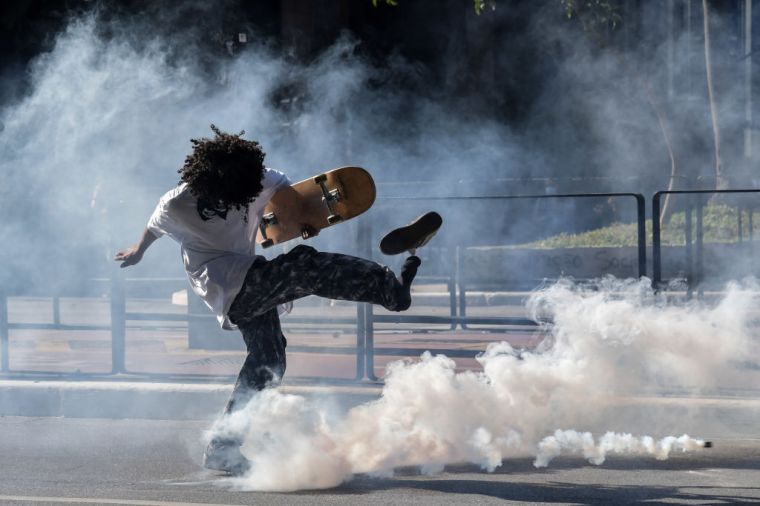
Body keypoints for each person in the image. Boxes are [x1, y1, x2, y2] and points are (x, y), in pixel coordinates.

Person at [115, 125, 442, 474]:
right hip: (223, 283)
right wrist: (138, 250)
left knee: (268, 360)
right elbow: (154, 224)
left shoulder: (254, 179)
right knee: (303, 266)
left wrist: (301, 219)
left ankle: (224, 447)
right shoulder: (177, 202)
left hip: (250, 273)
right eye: (228, 195)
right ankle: (390, 289)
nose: (236, 200)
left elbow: (287, 195)